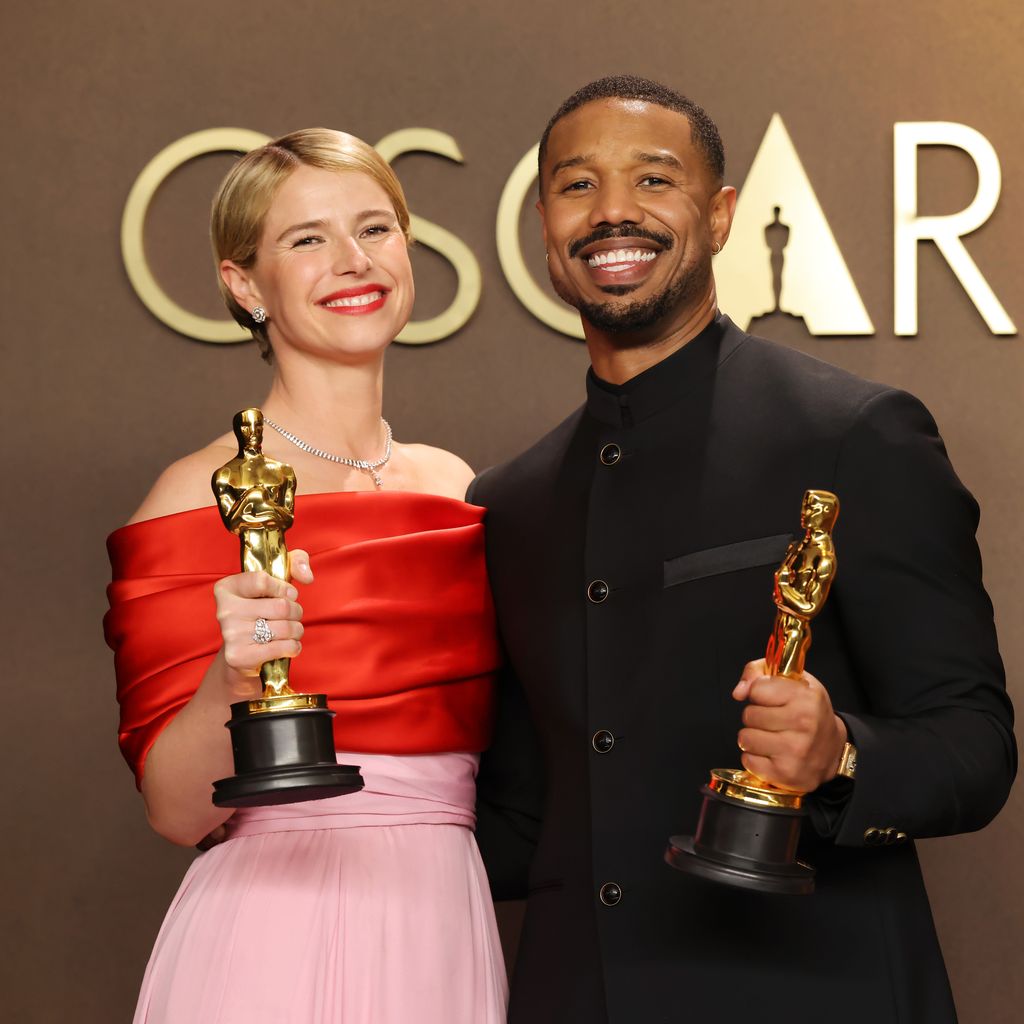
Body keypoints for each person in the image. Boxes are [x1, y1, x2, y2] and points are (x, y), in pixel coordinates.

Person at [472, 76, 1016, 1024]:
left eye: (653, 180)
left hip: (810, 994)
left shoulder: (856, 436)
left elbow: (974, 745)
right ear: (543, 224)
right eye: (576, 186)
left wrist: (842, 755)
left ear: (721, 216)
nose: (613, 214)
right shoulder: (507, 505)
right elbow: (524, 817)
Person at [104, 128, 507, 1023]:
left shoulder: (462, 488)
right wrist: (233, 678)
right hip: (273, 928)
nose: (352, 261)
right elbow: (175, 810)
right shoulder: (193, 496)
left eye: (376, 228)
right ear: (245, 285)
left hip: (443, 922)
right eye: (307, 239)